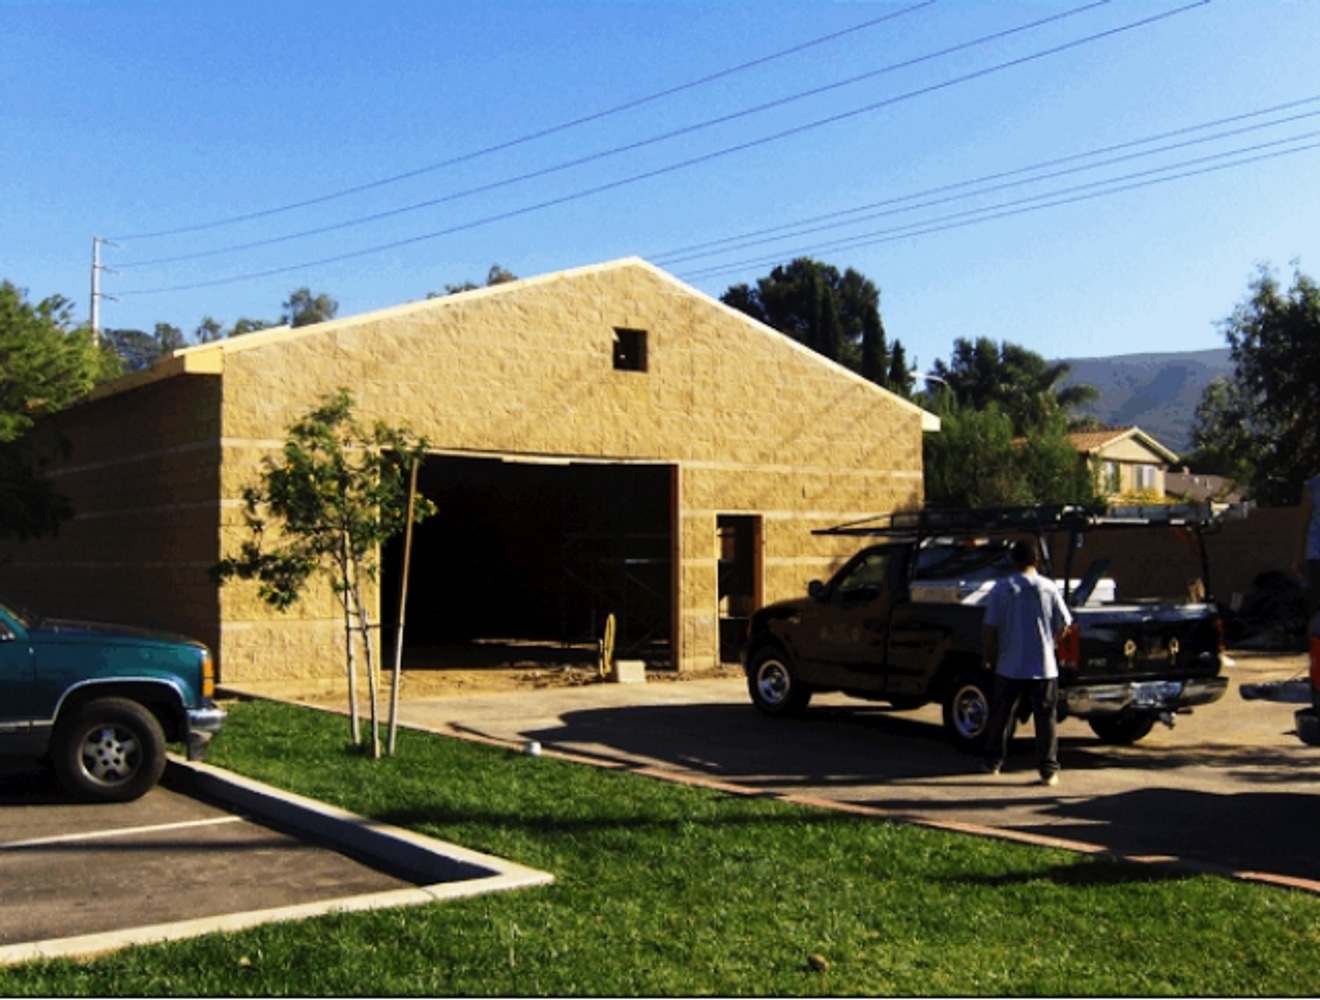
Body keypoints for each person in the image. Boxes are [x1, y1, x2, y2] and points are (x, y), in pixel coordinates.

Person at [981, 538, 1073, 786]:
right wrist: (1050, 641)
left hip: (1009, 664)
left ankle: (993, 762)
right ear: (1037, 561)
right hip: (1043, 665)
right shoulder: (1048, 587)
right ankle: (1048, 769)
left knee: (1001, 714)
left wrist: (988, 654)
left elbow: (989, 626)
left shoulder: (1002, 587)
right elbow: (1065, 623)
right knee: (1045, 718)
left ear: (1013, 560)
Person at [1294, 473, 1320, 618]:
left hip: (1315, 556)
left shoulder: (1312, 486)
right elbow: (1303, 524)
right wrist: (1298, 558)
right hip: (1316, 556)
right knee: (1315, 607)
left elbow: (1302, 525)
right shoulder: (1313, 486)